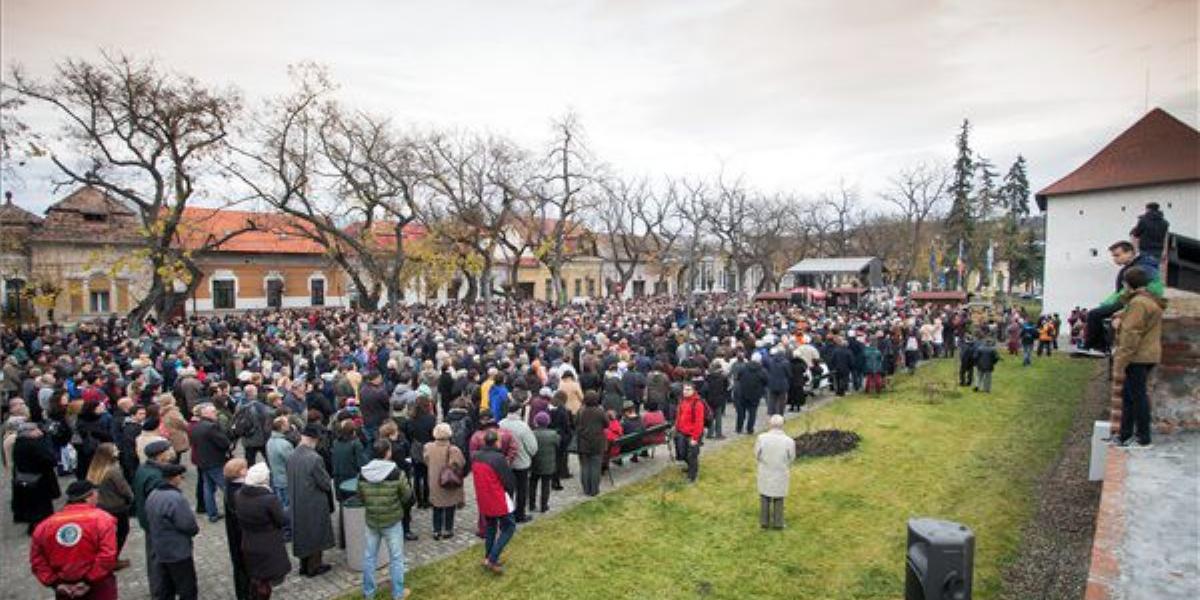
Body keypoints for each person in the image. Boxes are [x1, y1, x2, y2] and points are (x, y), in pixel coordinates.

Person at [29, 480, 118, 600]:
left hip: (65, 588)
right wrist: (88, 581)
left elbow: (37, 560)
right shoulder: (102, 520)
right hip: (98, 586)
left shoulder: (44, 526)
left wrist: (55, 583)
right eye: (96, 493)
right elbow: (107, 556)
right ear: (89, 497)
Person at [1079, 241, 1164, 355]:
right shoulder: (1136, 265)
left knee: (1095, 314)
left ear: (1129, 253)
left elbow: (1131, 290)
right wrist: (1106, 304)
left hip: (1134, 300)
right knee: (1098, 314)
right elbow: (1120, 291)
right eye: (1113, 256)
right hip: (1129, 298)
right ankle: (1097, 347)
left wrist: (1112, 305)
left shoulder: (1143, 267)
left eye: (1117, 255)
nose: (1115, 259)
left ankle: (1097, 348)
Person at [1113, 267, 1165, 449]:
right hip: (1147, 354)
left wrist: (1121, 360)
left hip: (1138, 356)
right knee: (1129, 397)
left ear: (1128, 283)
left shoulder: (1139, 303)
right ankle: (1124, 435)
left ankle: (1143, 438)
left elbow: (1131, 333)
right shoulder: (1148, 300)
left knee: (1137, 397)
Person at [358, 438, 413, 600]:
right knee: (396, 558)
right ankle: (397, 593)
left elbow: (360, 497)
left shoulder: (362, 474)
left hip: (372, 520)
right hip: (392, 520)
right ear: (388, 453)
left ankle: (369, 594)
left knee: (369, 557)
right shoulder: (397, 473)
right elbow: (407, 495)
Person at [236, 462, 291, 600]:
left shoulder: (238, 495)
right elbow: (282, 520)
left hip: (248, 541)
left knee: (257, 576)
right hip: (268, 544)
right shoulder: (268, 500)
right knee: (265, 581)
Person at [286, 424, 335, 577]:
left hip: (297, 499)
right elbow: (325, 483)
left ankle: (303, 565)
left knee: (303, 533)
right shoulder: (314, 458)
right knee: (316, 533)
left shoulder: (292, 455)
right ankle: (314, 567)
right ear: (313, 440)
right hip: (313, 501)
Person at [145, 462, 199, 600]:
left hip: (160, 549)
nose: (181, 479)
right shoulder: (175, 498)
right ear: (174, 478)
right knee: (187, 587)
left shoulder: (153, 494)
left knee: (166, 586)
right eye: (180, 476)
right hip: (178, 550)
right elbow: (188, 525)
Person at [132, 440, 173, 597]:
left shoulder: (144, 468)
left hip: (147, 521)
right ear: (160, 455)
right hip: (156, 525)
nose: (170, 453)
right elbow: (160, 504)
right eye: (168, 450)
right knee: (157, 560)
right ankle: (160, 591)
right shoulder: (156, 476)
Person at [471, 430, 516, 575]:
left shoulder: (476, 456)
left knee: (491, 526)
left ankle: (488, 557)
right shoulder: (498, 458)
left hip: (483, 497)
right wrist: (509, 493)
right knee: (509, 527)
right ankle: (492, 558)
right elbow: (508, 481)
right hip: (496, 497)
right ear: (497, 442)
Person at [85, 442, 133, 571]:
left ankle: (106, 558)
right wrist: (131, 498)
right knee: (121, 532)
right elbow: (123, 489)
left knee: (107, 535)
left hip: (101, 506)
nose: (118, 451)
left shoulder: (94, 468)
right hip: (116, 506)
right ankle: (113, 559)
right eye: (115, 450)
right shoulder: (113, 470)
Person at [11, 421, 61, 535]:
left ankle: (34, 525)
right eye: (35, 430)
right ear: (29, 432)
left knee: (32, 506)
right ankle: (43, 528)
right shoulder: (34, 445)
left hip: (26, 479)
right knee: (42, 507)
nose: (39, 432)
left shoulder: (19, 444)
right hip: (39, 480)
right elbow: (49, 460)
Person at [190, 403, 231, 523]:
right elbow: (224, 443)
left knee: (208, 488)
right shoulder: (211, 427)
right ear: (205, 413)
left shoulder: (195, 426)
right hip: (215, 461)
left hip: (202, 461)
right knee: (226, 487)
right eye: (213, 412)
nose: (216, 414)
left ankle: (212, 513)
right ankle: (234, 511)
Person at [424, 422, 465, 540]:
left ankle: (436, 530)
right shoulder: (454, 449)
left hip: (434, 480)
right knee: (450, 506)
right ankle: (448, 529)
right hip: (449, 481)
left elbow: (426, 461)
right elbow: (461, 463)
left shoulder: (428, 447)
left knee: (436, 507)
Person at [499, 400, 538, 523]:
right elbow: (532, 447)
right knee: (521, 489)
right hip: (521, 463)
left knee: (507, 490)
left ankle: (507, 514)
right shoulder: (523, 427)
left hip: (505, 463)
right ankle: (519, 515)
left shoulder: (500, 424)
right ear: (519, 411)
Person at [754, 415, 795, 530]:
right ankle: (778, 522)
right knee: (779, 497)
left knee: (765, 496)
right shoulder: (789, 441)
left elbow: (756, 454)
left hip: (765, 470)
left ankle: (764, 522)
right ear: (782, 425)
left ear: (770, 424)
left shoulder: (761, 438)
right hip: (780, 471)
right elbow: (791, 457)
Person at [223, 458, 252, 600]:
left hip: (237, 535)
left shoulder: (230, 486)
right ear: (239, 472)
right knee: (243, 567)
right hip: (241, 537)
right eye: (246, 467)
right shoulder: (239, 492)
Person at [264, 416, 294, 540]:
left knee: (281, 504)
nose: (289, 425)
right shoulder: (284, 444)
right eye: (287, 423)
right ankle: (288, 531)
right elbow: (292, 461)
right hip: (285, 479)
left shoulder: (270, 441)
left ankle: (284, 529)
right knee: (287, 506)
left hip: (277, 477)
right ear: (282, 427)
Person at [575, 391, 607, 497]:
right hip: (597, 442)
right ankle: (594, 489)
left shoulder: (580, 411)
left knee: (584, 466)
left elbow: (575, 423)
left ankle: (586, 489)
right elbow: (607, 424)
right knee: (595, 466)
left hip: (583, 442)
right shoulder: (600, 411)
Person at [675, 383, 707, 483]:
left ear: (693, 391)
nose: (685, 391)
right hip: (682, 432)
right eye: (684, 389)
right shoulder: (682, 401)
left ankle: (692, 476)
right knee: (682, 453)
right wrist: (676, 428)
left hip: (693, 434)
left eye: (688, 389)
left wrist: (695, 438)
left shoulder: (698, 403)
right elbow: (679, 416)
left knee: (692, 455)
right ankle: (690, 467)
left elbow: (699, 422)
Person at [529, 412, 560, 513]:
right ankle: (544, 505)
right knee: (546, 485)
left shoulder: (532, 433)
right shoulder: (553, 434)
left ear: (536, 422)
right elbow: (558, 445)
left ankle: (531, 504)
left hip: (534, 463)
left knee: (532, 484)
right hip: (548, 464)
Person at [734, 354, 767, 434]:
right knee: (752, 413)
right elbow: (766, 381)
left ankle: (739, 428)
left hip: (743, 392)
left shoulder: (743, 368)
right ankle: (750, 429)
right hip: (755, 394)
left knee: (741, 412)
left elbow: (737, 377)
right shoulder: (762, 370)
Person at [1130, 201, 1169, 267]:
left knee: (1145, 269)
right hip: (1159, 250)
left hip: (1145, 249)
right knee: (1155, 268)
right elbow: (1165, 238)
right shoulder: (1165, 223)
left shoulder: (1143, 220)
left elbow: (1136, 234)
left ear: (1148, 209)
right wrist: (1164, 251)